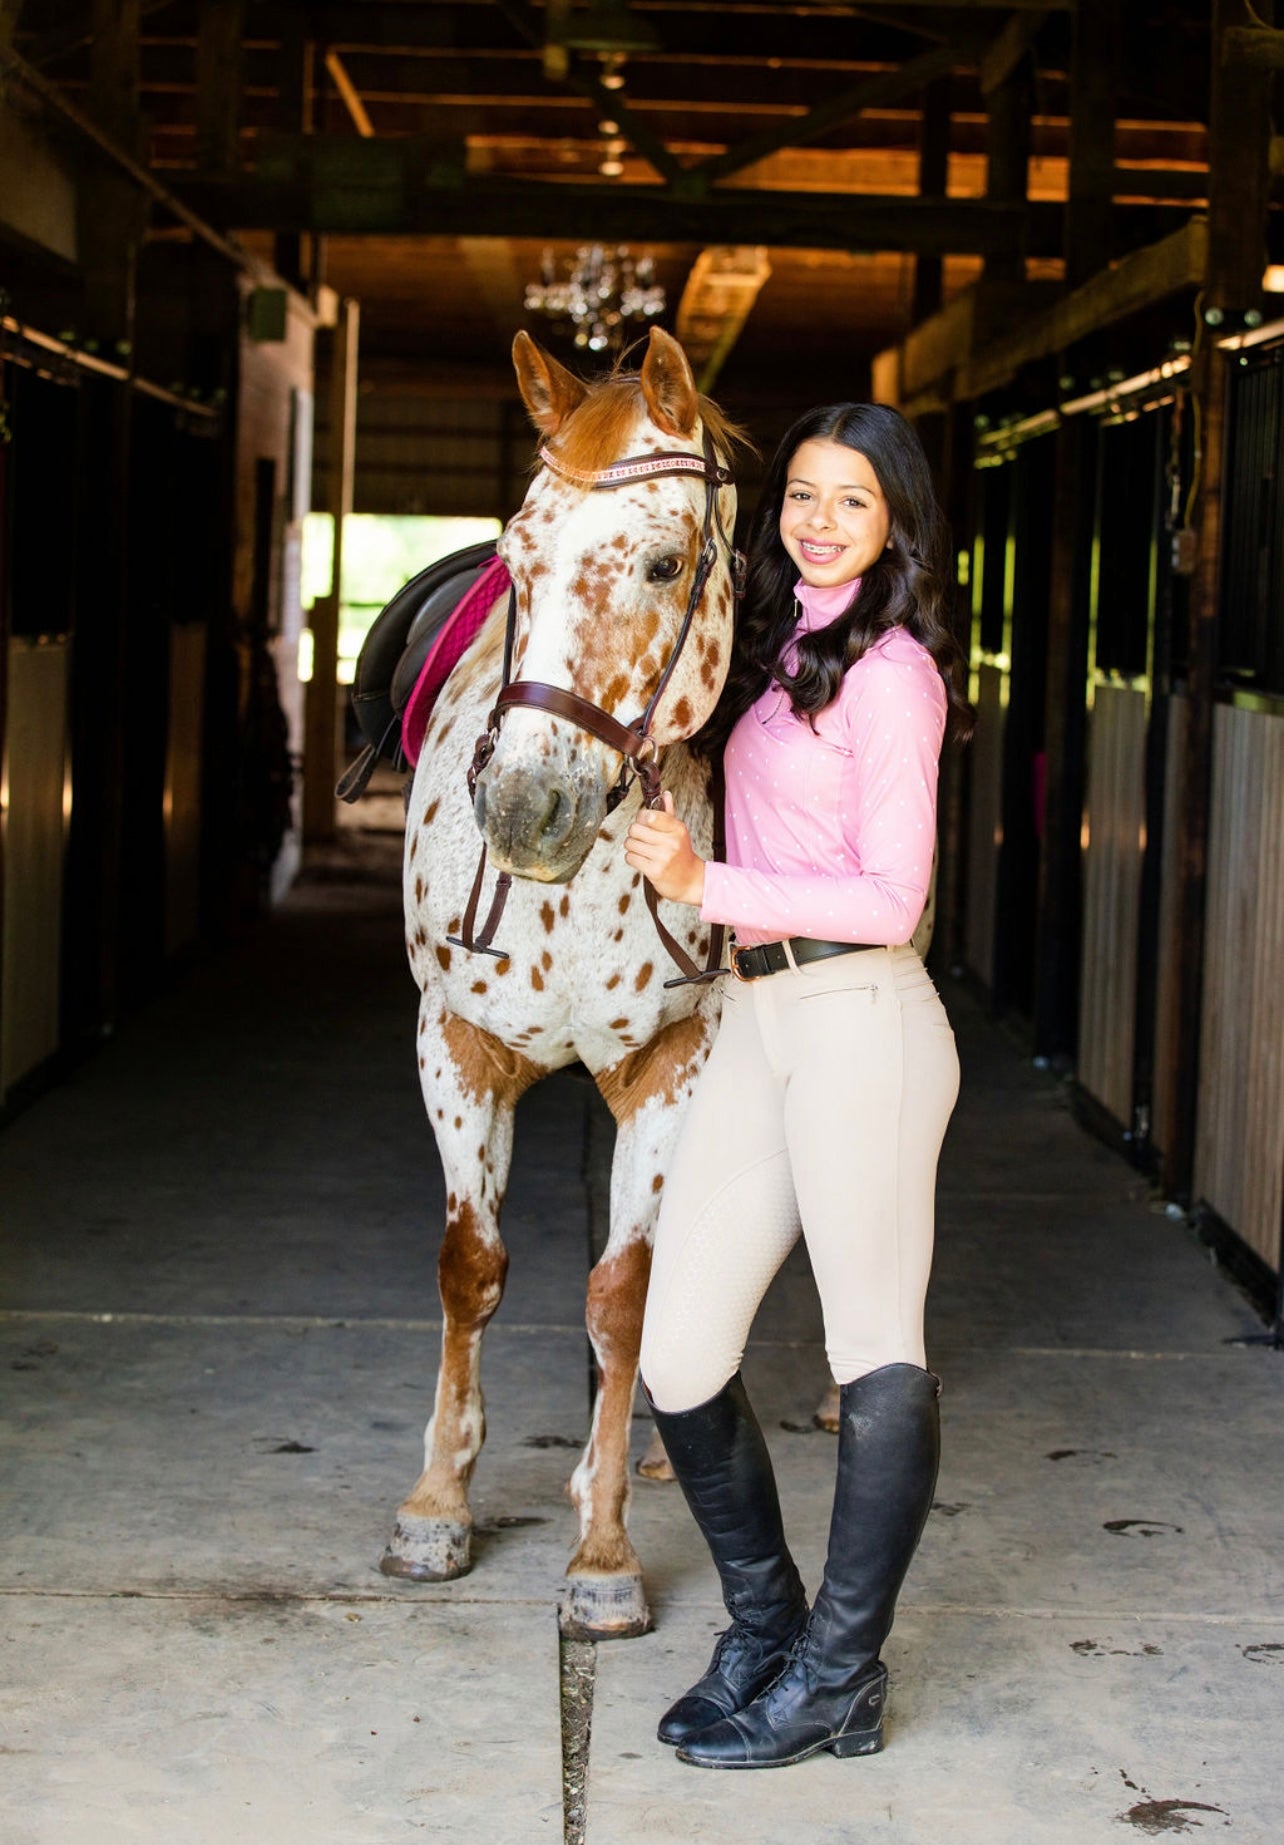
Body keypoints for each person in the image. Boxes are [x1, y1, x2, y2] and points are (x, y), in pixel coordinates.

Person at [623, 402, 972, 1771]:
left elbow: (894, 894)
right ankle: (767, 1626)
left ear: (896, 524)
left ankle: (837, 1672)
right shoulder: (779, 657)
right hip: (755, 1017)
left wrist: (705, 882)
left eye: (853, 502)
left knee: (873, 1345)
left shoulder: (890, 675)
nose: (819, 521)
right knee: (679, 1345)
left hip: (860, 1023)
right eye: (803, 495)